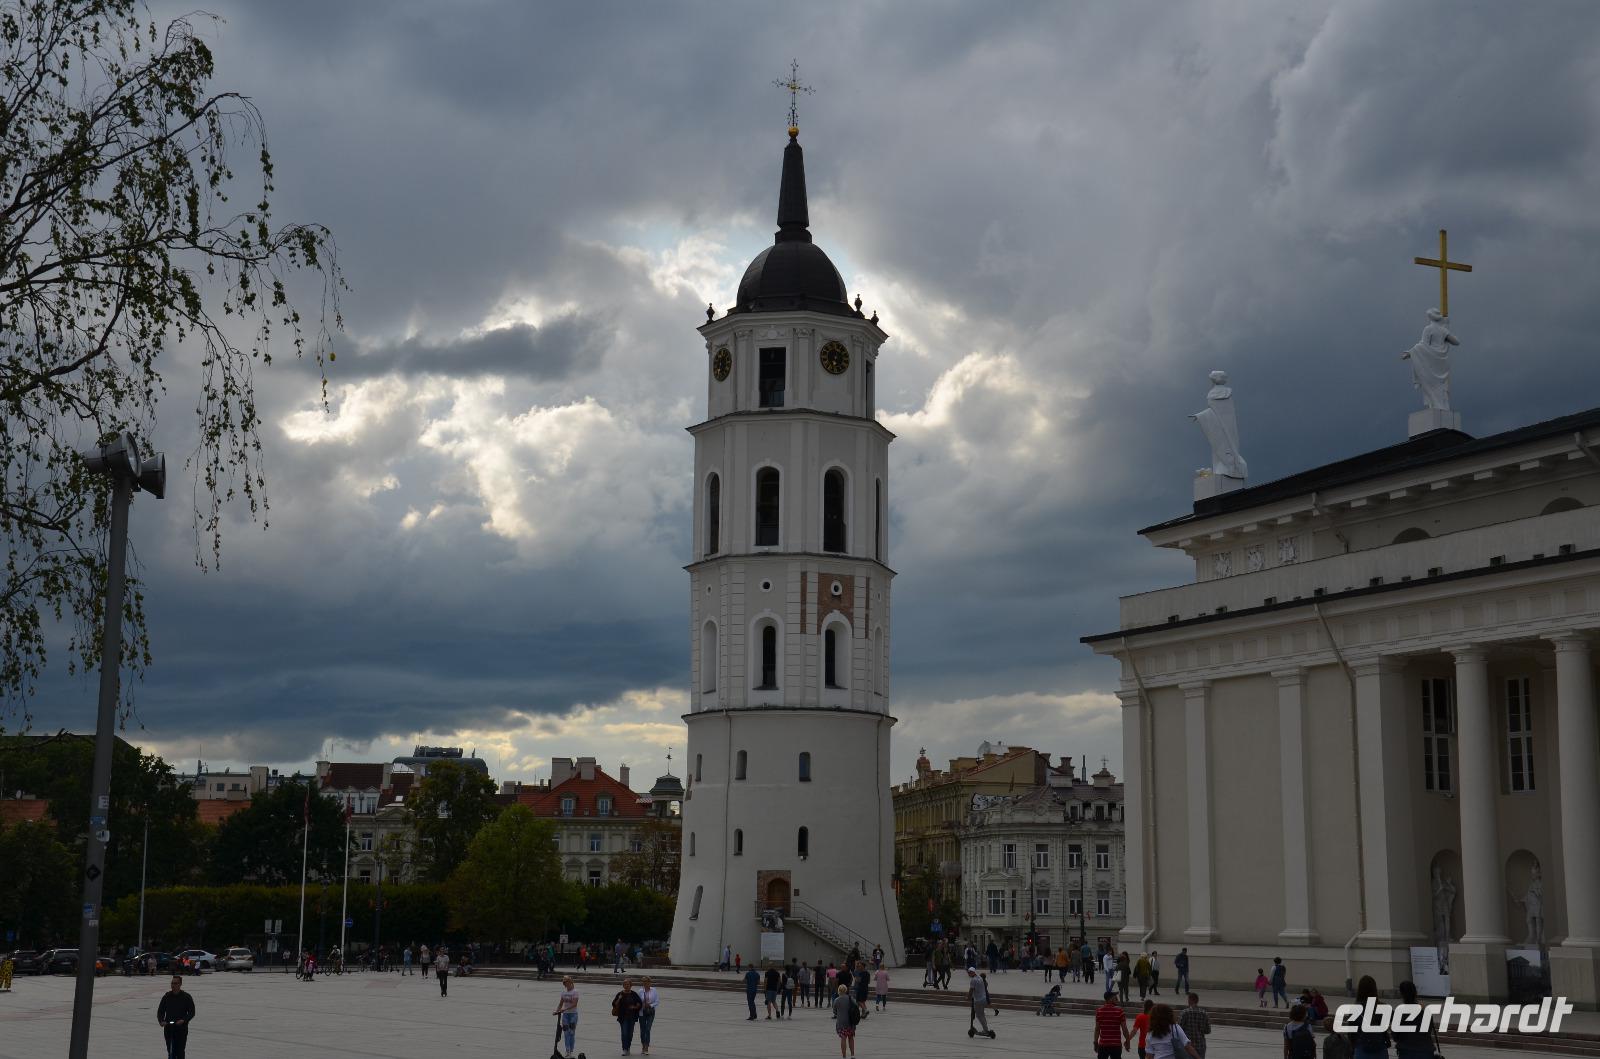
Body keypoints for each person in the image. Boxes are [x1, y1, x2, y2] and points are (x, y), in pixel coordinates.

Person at [1349, 976, 1390, 1059]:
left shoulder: (1355, 1009)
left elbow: (1351, 1032)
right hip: (1380, 1047)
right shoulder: (1382, 1007)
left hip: (1362, 1049)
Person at [1391, 981, 1434, 1059]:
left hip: (1407, 1051)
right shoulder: (1425, 1011)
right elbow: (1428, 1031)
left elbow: (1395, 1036)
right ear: (1415, 993)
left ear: (1402, 994)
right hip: (1426, 1051)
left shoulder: (1400, 1013)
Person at [157, 975, 195, 1059]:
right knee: (170, 1051)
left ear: (180, 984)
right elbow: (160, 1011)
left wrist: (184, 1020)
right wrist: (161, 1021)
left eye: (175, 983)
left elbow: (192, 1012)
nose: (173, 985)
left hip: (181, 1029)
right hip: (168, 1028)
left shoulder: (186, 997)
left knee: (180, 1051)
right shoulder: (166, 996)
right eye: (172, 983)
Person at [1093, 989, 1130, 1059]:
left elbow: (1097, 1029)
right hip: (1116, 1046)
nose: (1117, 999)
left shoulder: (1099, 1011)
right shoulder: (1120, 1011)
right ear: (1110, 999)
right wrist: (1128, 1042)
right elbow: (1124, 1029)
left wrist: (1095, 1043)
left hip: (1103, 1045)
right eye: (1115, 997)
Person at [612, 975, 643, 1055]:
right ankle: (624, 1049)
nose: (626, 986)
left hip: (632, 1017)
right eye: (625, 984)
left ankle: (628, 1047)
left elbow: (640, 1003)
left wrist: (635, 1007)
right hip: (623, 1017)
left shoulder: (634, 994)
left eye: (628, 984)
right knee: (624, 1033)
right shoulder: (620, 994)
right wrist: (619, 999)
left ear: (631, 985)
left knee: (630, 1034)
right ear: (623, 985)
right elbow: (614, 1004)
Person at [1179, 993, 1213, 1059]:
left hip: (1188, 1046)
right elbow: (1208, 1030)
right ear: (1197, 1001)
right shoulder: (1204, 1013)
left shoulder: (1184, 1012)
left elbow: (1179, 1030)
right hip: (1201, 1045)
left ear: (1189, 1000)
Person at [554, 976, 580, 1059]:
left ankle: (571, 1051)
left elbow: (574, 1004)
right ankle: (567, 1050)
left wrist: (564, 1009)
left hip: (573, 1015)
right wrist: (557, 1010)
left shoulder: (575, 992)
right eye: (564, 982)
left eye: (566, 982)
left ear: (570, 982)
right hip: (565, 1015)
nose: (565, 984)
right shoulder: (563, 992)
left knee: (571, 1033)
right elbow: (561, 1003)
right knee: (566, 1033)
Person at [966, 967, 996, 1039]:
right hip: (984, 999)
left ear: (973, 972)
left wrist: (968, 998)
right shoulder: (980, 977)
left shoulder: (973, 980)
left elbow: (971, 990)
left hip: (978, 1001)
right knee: (981, 1014)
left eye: (970, 972)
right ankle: (985, 1029)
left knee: (979, 1016)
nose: (969, 974)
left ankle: (985, 1030)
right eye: (968, 972)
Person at [832, 982, 859, 1059]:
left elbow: (834, 1011)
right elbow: (856, 1007)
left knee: (843, 1038)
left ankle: (844, 1056)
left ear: (839, 991)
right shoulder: (851, 998)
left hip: (841, 1022)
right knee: (851, 1037)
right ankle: (852, 1055)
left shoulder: (837, 1000)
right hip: (850, 1022)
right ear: (846, 990)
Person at [638, 976, 659, 1056]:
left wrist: (651, 1005)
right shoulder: (640, 991)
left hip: (650, 1011)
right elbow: (637, 1001)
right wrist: (641, 1005)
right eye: (644, 982)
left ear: (650, 982)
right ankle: (643, 1045)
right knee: (642, 1030)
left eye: (647, 982)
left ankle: (646, 1047)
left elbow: (657, 1001)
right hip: (642, 1012)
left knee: (648, 1029)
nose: (645, 983)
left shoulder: (654, 990)